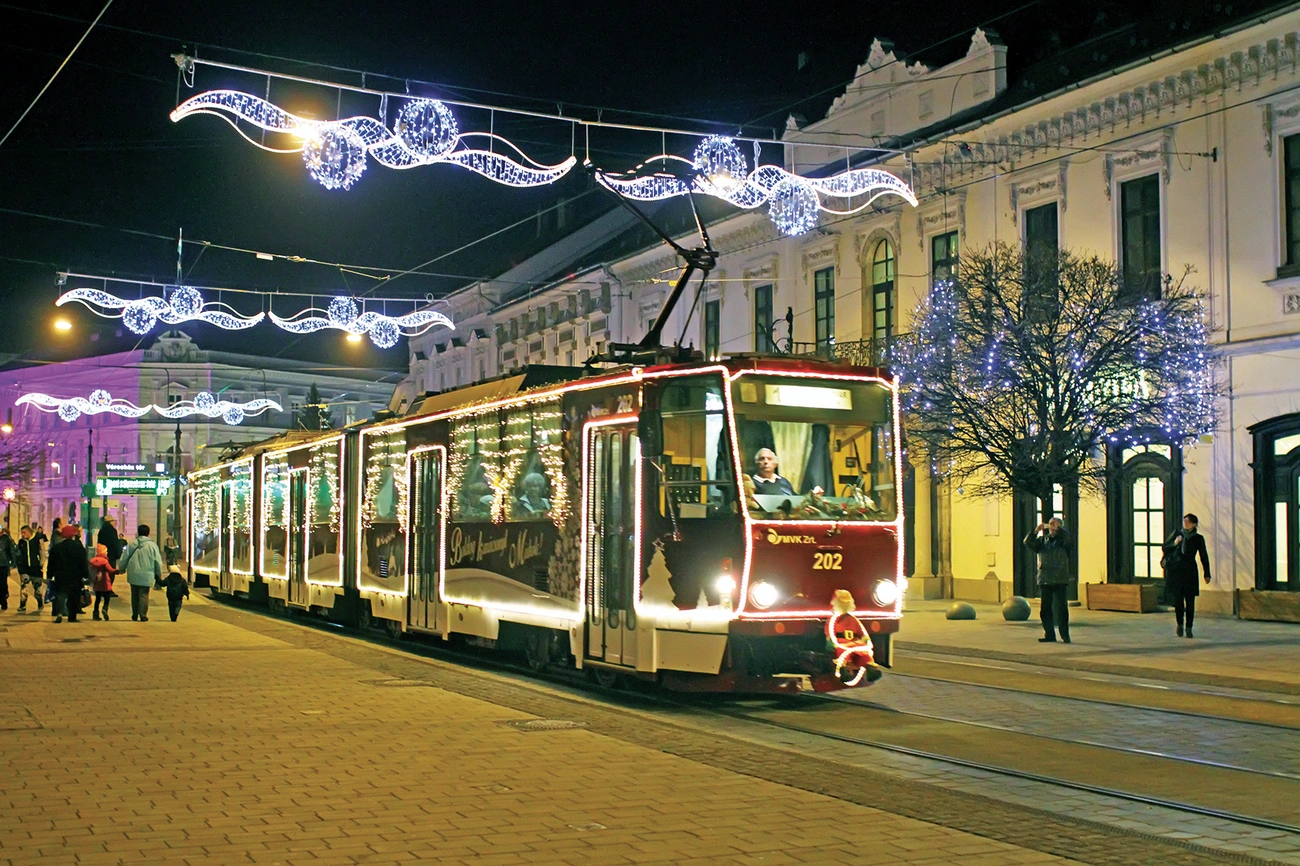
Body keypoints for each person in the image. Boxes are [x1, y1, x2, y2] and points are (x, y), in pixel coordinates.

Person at [1023, 517, 1075, 643]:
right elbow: (1027, 543)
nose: (1051, 526)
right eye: (1050, 524)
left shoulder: (1063, 541)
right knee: (1045, 609)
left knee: (1061, 608)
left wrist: (1060, 530)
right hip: (1045, 578)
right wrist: (1035, 532)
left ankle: (1064, 635)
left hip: (1060, 579)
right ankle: (1049, 634)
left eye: (1054, 524)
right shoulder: (1042, 541)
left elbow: (1069, 541)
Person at [1163, 513, 1212, 638]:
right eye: (1184, 521)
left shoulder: (1198, 538)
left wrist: (1207, 573)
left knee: (1190, 602)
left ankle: (1189, 627)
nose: (1185, 523)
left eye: (1188, 521)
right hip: (1177, 571)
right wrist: (1175, 543)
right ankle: (1179, 624)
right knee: (1178, 601)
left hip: (1190, 571)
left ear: (1194, 524)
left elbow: (1203, 556)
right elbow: (1165, 548)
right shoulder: (1177, 534)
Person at [118, 524, 163, 622]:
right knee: (144, 594)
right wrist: (158, 575)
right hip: (147, 573)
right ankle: (143, 615)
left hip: (133, 573)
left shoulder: (132, 544)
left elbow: (124, 557)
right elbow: (157, 561)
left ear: (138, 532)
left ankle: (134, 614)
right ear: (148, 533)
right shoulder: (152, 546)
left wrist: (122, 568)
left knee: (134, 594)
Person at [47, 524, 90, 624]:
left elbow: (51, 563)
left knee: (60, 593)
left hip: (60, 575)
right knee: (74, 596)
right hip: (75, 576)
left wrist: (50, 575)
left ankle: (60, 612)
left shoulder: (57, 548)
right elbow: (84, 562)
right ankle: (72, 616)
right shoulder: (79, 548)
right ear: (73, 535)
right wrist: (85, 574)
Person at [14, 526, 44, 614]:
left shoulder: (37, 540)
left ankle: (39, 602)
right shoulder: (21, 542)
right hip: (24, 568)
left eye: (24, 532)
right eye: (22, 533)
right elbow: (18, 553)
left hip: (35, 568)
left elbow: (42, 552)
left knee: (37, 588)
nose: (22, 535)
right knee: (24, 587)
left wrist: (41, 563)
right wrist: (19, 564)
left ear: (29, 532)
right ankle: (22, 604)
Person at [89, 543, 118, 621]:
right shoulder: (104, 561)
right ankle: (105, 609)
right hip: (105, 583)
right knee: (107, 598)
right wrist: (117, 571)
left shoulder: (92, 561)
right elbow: (110, 570)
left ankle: (95, 614)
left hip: (96, 583)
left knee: (97, 599)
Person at [0, 527, 13, 611]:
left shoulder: (6, 539)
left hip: (3, 565)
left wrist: (13, 563)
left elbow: (11, 551)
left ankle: (3, 601)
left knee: (2, 584)